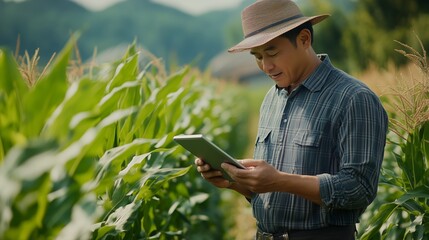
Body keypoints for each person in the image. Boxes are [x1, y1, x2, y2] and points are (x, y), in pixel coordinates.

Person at [195, 0, 388, 239]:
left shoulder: (353, 98)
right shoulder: (271, 99)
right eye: (257, 56)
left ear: (304, 39)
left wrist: (280, 181)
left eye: (272, 52)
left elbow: (360, 188)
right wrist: (233, 180)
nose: (265, 66)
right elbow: (267, 192)